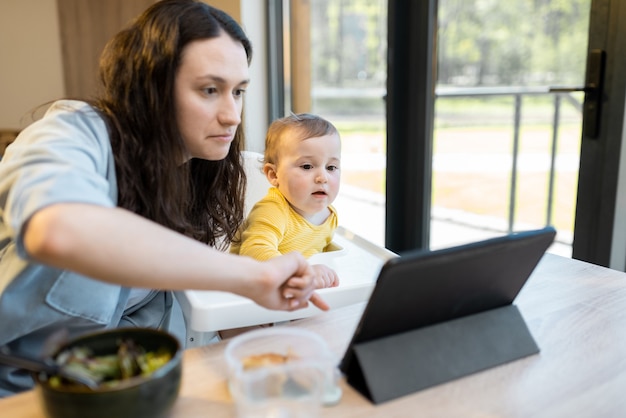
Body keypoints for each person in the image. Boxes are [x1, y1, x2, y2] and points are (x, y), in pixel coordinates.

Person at [0, 0, 328, 397]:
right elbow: (57, 230)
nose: (232, 115)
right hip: (22, 394)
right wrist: (253, 278)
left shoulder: (192, 170)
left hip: (118, 387)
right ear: (150, 86)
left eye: (238, 92)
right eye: (210, 90)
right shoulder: (69, 136)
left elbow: (157, 314)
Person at [230, 113, 342, 289]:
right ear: (274, 175)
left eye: (331, 167)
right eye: (307, 166)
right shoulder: (272, 210)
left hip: (291, 290)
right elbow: (254, 252)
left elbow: (323, 252)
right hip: (248, 294)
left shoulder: (329, 214)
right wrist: (302, 271)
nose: (323, 177)